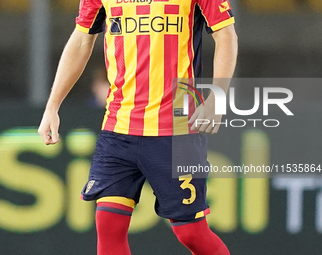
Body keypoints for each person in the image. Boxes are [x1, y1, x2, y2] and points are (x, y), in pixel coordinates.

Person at [38, 0, 238, 254]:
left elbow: (226, 35)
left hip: (176, 132)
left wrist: (216, 99)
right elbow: (81, 41)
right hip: (119, 129)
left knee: (191, 233)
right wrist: (52, 106)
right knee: (108, 224)